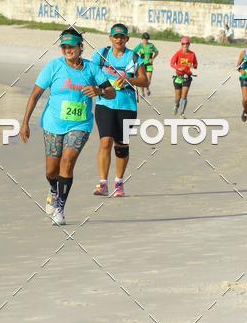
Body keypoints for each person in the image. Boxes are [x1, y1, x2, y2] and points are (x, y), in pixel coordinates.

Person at [20, 28, 115, 225]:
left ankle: (60, 209)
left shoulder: (91, 69)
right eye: (64, 47)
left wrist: (99, 91)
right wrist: (25, 123)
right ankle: (53, 190)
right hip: (53, 123)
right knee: (51, 171)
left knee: (67, 161)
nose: (67, 50)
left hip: (80, 124)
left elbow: (111, 92)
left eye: (71, 46)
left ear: (81, 47)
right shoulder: (54, 67)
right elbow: (35, 94)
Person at [91, 22, 149, 198]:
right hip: (105, 104)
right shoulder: (102, 55)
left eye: (122, 37)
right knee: (105, 142)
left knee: (121, 146)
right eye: (116, 36)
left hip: (127, 106)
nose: (119, 40)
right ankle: (103, 184)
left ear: (127, 39)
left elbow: (144, 81)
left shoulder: (133, 57)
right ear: (110, 38)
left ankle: (119, 182)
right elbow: (90, 74)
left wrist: (129, 80)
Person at [170, 36, 198, 116]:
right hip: (178, 77)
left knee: (184, 96)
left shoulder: (192, 54)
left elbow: (195, 65)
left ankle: (182, 113)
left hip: (187, 77)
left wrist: (192, 66)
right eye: (183, 44)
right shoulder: (178, 53)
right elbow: (171, 63)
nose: (185, 45)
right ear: (181, 44)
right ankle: (176, 105)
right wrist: (178, 68)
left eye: (187, 43)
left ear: (189, 44)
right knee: (177, 98)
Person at [133, 32, 159, 96]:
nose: (146, 40)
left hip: (149, 64)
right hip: (141, 64)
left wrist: (152, 58)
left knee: (148, 79)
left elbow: (156, 52)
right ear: (142, 39)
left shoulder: (151, 45)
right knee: (142, 79)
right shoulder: (139, 46)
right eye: (144, 39)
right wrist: (137, 59)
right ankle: (142, 92)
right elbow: (133, 52)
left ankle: (147, 88)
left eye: (147, 39)